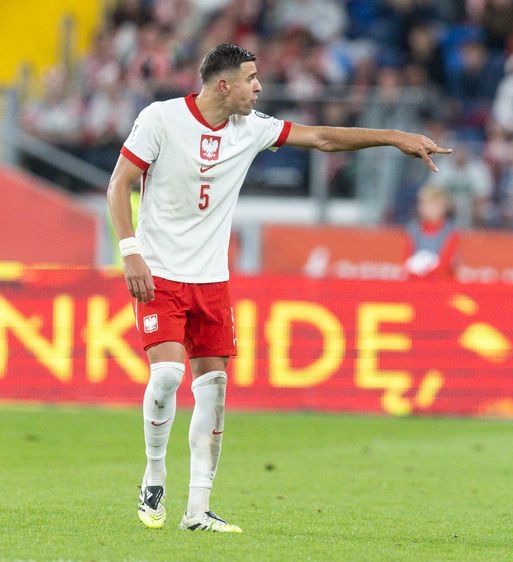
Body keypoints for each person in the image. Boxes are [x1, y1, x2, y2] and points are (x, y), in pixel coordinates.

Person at [106, 44, 451, 533]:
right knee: (165, 378)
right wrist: (130, 251)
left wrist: (395, 138)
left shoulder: (251, 129)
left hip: (212, 279)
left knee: (214, 390)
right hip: (159, 271)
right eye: (251, 78)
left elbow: (323, 138)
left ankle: (198, 510)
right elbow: (119, 183)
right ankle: (154, 474)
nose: (259, 86)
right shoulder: (160, 119)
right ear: (223, 85)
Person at [403, 185, 460, 280]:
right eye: (425, 204)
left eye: (433, 205)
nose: (429, 209)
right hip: (415, 281)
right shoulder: (413, 230)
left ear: (444, 207)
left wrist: (427, 270)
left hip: (440, 283)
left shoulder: (450, 232)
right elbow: (406, 259)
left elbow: (446, 263)